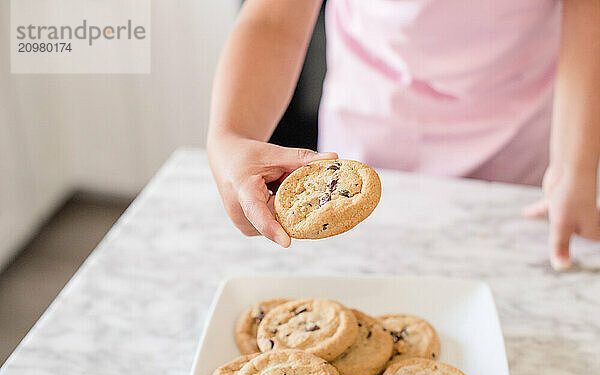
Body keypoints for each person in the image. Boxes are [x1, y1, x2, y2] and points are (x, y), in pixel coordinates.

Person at [206, 0, 600, 271]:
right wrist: (230, 135)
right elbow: (275, 19)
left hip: (516, 143)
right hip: (367, 128)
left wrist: (574, 167)